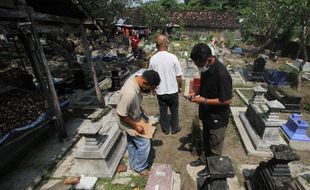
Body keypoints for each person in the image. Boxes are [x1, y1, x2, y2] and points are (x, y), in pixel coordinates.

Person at [188, 43, 232, 177]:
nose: (198, 67)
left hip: (217, 117)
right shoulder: (206, 69)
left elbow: (227, 100)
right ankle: (203, 159)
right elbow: (203, 86)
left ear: (209, 59)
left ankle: (212, 167)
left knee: (215, 145)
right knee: (206, 139)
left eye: (199, 64)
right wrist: (194, 92)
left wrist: (205, 100)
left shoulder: (222, 74)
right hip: (207, 114)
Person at [116, 70, 160, 176]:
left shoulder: (137, 79)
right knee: (145, 143)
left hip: (134, 115)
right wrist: (135, 126)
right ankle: (140, 167)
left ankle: (134, 164)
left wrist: (142, 112)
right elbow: (122, 115)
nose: (151, 91)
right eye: (150, 88)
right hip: (127, 120)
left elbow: (135, 103)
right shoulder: (129, 93)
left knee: (132, 142)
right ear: (144, 83)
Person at [149, 34, 183, 135]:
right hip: (173, 90)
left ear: (157, 45)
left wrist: (152, 88)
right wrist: (179, 87)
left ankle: (165, 129)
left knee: (163, 110)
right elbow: (179, 76)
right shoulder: (173, 57)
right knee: (175, 110)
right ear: (166, 44)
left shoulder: (153, 59)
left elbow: (151, 77)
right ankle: (175, 128)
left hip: (161, 91)